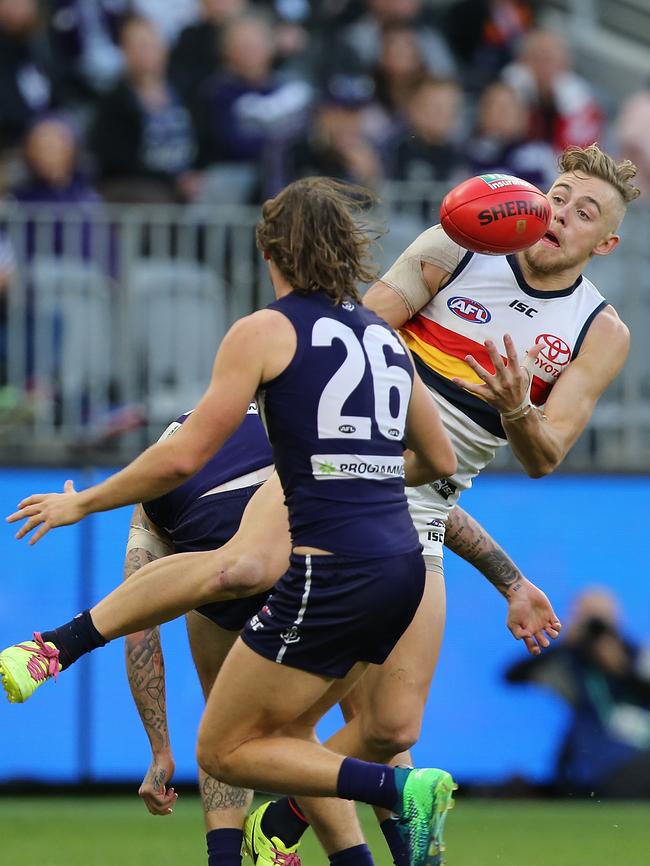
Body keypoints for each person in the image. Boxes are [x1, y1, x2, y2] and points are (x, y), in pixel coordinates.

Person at [2, 177, 460, 866]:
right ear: (346, 253)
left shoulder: (265, 330)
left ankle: (399, 790)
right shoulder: (384, 338)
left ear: (270, 252)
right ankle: (350, 826)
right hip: (403, 570)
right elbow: (442, 458)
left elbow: (181, 457)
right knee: (298, 739)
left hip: (327, 573)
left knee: (225, 749)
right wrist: (352, 471)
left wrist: (83, 502)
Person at [506, 587, 650, 799]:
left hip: (638, 747)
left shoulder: (631, 651)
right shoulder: (568, 657)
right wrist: (566, 640)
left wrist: (622, 667)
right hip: (597, 752)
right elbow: (513, 675)